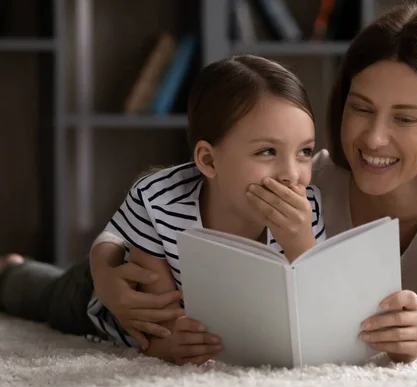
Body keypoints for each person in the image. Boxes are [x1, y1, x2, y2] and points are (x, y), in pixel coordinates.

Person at [2, 3, 417, 364]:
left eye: (406, 119)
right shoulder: (307, 178)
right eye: (360, 109)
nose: (374, 138)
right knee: (57, 293)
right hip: (143, 280)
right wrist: (105, 273)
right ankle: (14, 274)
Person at [0, 54, 326, 366]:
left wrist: (301, 244)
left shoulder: (305, 209)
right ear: (209, 161)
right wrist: (165, 343)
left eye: (304, 152)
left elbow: (315, 308)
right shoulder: (161, 201)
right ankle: (11, 270)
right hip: (101, 294)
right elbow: (156, 327)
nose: (291, 173)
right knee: (43, 297)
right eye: (268, 151)